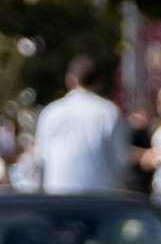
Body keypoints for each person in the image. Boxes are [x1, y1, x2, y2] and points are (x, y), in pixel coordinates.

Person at [25, 57, 131, 192]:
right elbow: (121, 159)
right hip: (99, 197)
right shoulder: (108, 112)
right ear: (98, 82)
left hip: (58, 195)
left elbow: (40, 158)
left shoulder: (51, 112)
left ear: (70, 79)